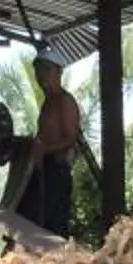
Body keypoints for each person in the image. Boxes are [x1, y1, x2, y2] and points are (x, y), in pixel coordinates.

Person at [24, 57, 84, 235]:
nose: (41, 76)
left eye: (46, 70)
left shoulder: (65, 101)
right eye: (38, 72)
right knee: (34, 220)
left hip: (58, 169)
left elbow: (71, 138)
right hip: (42, 169)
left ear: (59, 72)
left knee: (54, 226)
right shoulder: (47, 103)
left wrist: (45, 150)